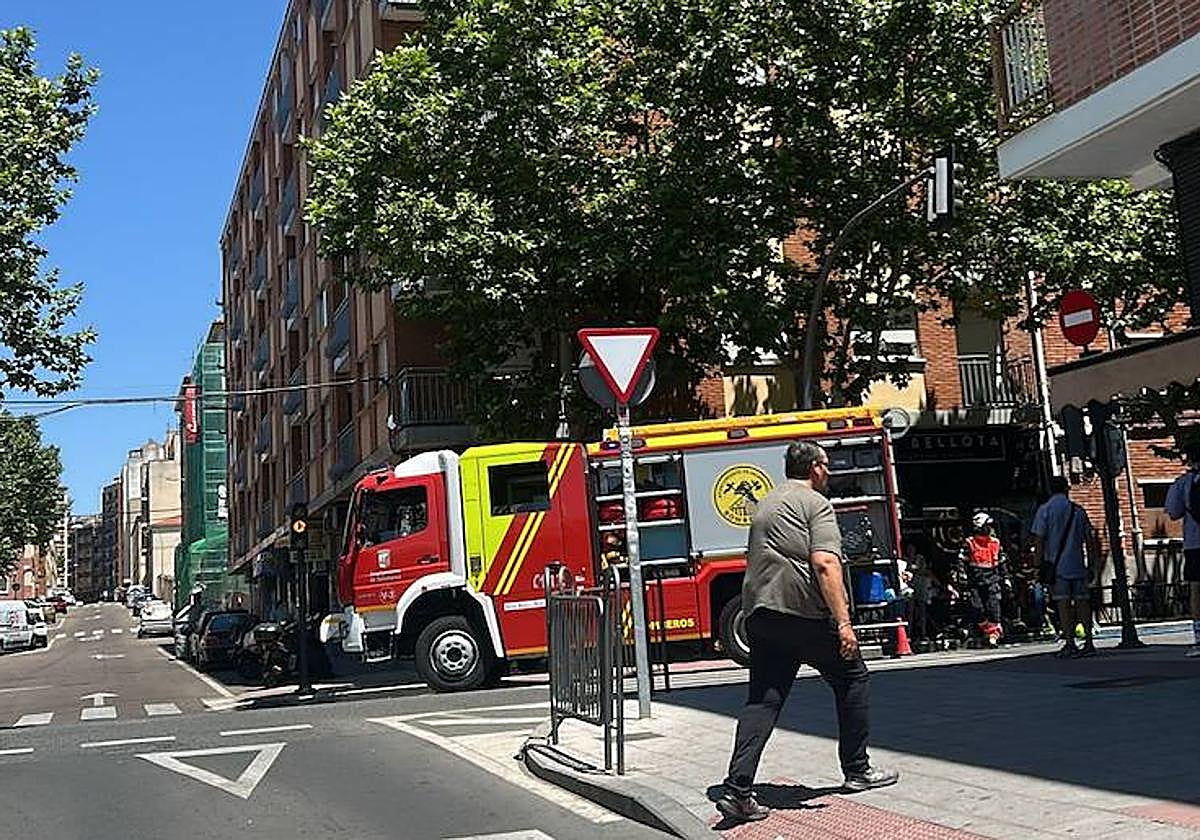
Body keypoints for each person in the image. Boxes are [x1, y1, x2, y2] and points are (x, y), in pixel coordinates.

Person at [716, 441, 897, 824]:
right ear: (815, 468)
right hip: (803, 614)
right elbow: (826, 564)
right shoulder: (816, 504)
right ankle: (858, 769)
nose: (828, 472)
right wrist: (844, 623)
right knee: (852, 678)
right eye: (826, 465)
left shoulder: (766, 502)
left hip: (761, 615)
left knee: (763, 701)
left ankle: (737, 790)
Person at [1032, 476, 1099, 658]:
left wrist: (1037, 566)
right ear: (1067, 489)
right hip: (1077, 564)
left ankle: (1070, 643)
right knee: (1082, 602)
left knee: (1063, 604)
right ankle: (1089, 642)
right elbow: (1090, 539)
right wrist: (1092, 563)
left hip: (1056, 566)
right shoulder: (1078, 511)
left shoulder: (1044, 511)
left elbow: (1039, 541)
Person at [1164, 440, 1200, 658]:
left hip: (1195, 544)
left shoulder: (1183, 483)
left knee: (1196, 590)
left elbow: (1173, 512)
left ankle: (1198, 638)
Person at [959, 511, 1006, 647]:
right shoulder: (970, 543)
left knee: (993, 607)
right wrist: (962, 576)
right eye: (987, 525)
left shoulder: (995, 543)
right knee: (976, 607)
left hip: (992, 579)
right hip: (975, 581)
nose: (990, 528)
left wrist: (1006, 578)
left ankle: (993, 634)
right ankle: (987, 631)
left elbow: (1002, 562)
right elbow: (962, 561)